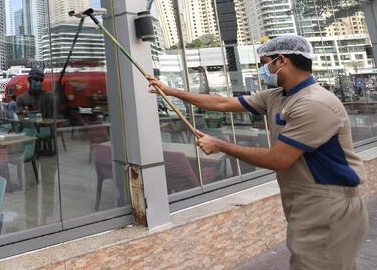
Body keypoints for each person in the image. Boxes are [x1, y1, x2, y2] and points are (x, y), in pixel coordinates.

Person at [147, 34, 367, 269]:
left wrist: (220, 145)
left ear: (281, 61)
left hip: (328, 204)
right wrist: (171, 92)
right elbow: (222, 104)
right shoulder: (277, 96)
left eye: (265, 63)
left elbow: (278, 159)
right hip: (306, 201)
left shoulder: (314, 103)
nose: (263, 69)